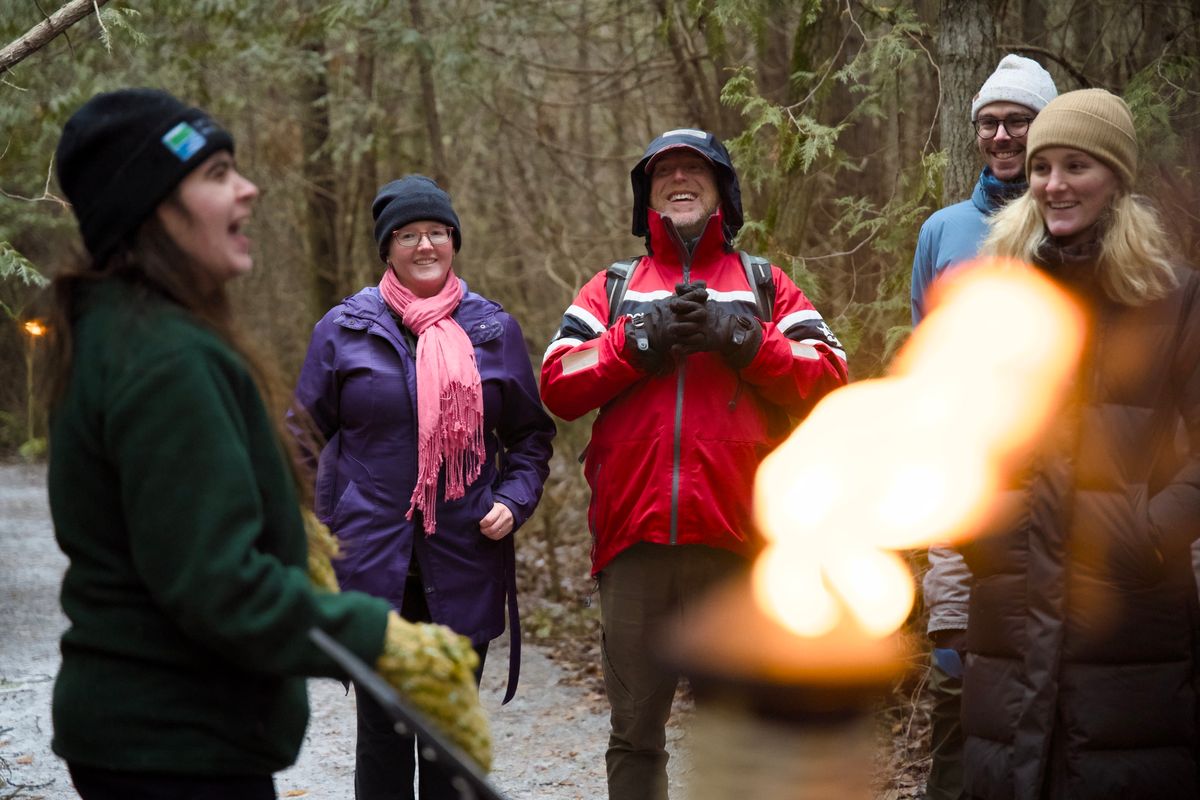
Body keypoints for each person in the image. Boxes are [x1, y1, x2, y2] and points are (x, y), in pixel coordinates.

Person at [44, 89, 487, 800]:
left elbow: (178, 536)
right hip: (173, 746)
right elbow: (218, 587)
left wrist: (292, 537)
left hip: (151, 735)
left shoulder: (122, 328)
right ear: (150, 204)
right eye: (217, 172)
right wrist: (380, 635)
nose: (248, 187)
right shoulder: (164, 360)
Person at [540, 128, 848, 800]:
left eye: (695, 171)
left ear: (722, 191)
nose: (680, 180)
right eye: (664, 173)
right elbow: (559, 379)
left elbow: (829, 374)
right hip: (632, 545)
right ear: (647, 196)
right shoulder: (613, 289)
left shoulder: (764, 284)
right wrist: (636, 341)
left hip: (740, 546)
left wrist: (744, 339)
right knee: (634, 735)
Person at [958, 89, 1200, 798]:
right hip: (1008, 600)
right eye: (1042, 169)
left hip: (1130, 610)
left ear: (1116, 178)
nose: (1054, 185)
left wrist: (1149, 532)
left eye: (1076, 166)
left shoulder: (1175, 299)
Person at [291, 174, 555, 799]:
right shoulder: (344, 329)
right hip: (371, 564)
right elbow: (298, 440)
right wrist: (309, 530)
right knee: (382, 736)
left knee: (448, 740)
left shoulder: (494, 330)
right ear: (387, 248)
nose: (425, 245)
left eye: (436, 232)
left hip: (465, 556)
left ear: (454, 241)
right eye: (408, 235)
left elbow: (532, 439)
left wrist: (512, 501)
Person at [909, 54, 1057, 800]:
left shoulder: (1067, 226)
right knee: (954, 668)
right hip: (960, 490)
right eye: (989, 123)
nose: (1002, 136)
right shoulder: (942, 232)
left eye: (1018, 121)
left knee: (1049, 671)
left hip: (1058, 490)